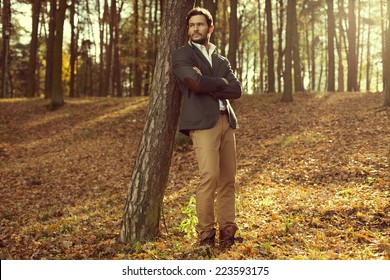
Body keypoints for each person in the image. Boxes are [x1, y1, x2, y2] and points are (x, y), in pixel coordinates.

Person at [171, 7, 242, 250]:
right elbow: (194, 83)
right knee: (209, 177)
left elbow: (237, 90)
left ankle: (228, 232)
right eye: (191, 25)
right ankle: (205, 236)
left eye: (200, 25)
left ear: (210, 28)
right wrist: (221, 82)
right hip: (202, 124)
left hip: (227, 121)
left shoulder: (222, 60)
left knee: (228, 180)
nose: (195, 29)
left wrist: (213, 82)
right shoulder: (182, 55)